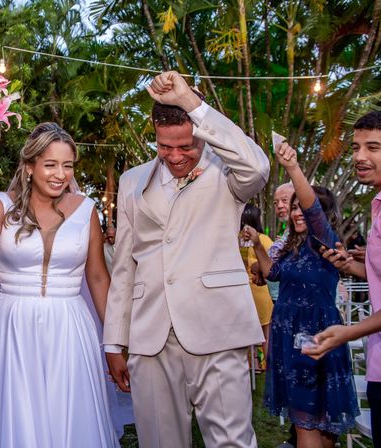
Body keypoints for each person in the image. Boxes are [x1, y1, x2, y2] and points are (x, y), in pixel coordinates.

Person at [104, 70, 269, 448]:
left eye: (186, 147)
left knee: (232, 442)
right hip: (151, 336)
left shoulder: (227, 173)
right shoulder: (132, 182)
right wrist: (114, 340)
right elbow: (125, 265)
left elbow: (258, 167)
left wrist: (192, 104)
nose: (176, 156)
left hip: (218, 327)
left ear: (198, 132)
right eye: (165, 147)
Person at [0, 122, 119, 447]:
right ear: (30, 166)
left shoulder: (86, 209)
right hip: (12, 330)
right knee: (16, 423)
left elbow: (99, 277)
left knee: (69, 423)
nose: (60, 174)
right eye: (50, 164)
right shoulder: (2, 206)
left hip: (70, 329)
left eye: (67, 165)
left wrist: (114, 344)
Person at [242, 142, 358, 447]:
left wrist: (292, 167)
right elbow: (271, 274)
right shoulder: (292, 248)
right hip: (288, 336)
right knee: (309, 423)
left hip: (316, 335)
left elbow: (313, 209)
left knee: (315, 425)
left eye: (300, 206)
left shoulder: (324, 240)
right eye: (293, 206)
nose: (296, 211)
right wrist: (256, 243)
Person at [305, 110, 381, 448]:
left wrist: (348, 332)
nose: (360, 157)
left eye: (373, 147)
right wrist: (352, 267)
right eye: (356, 147)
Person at [239, 203, 273, 370]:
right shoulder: (264, 239)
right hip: (259, 291)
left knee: (246, 334)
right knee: (266, 333)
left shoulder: (236, 239)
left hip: (241, 292)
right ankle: (268, 365)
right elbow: (274, 261)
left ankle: (253, 364)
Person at [267, 183, 295, 302]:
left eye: (284, 200)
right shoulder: (288, 232)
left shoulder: (308, 231)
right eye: (275, 203)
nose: (279, 206)